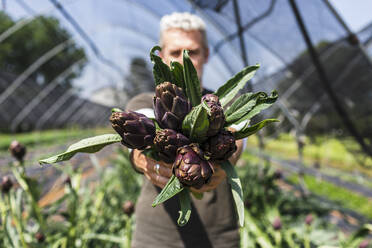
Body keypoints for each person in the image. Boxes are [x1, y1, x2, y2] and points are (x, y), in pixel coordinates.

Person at [126, 12, 244, 248]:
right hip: (156, 236)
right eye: (175, 52)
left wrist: (227, 156)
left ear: (206, 55)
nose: (185, 60)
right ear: (161, 56)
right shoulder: (144, 100)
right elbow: (139, 130)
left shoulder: (223, 103)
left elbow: (238, 134)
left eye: (193, 52)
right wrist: (145, 161)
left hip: (218, 235)